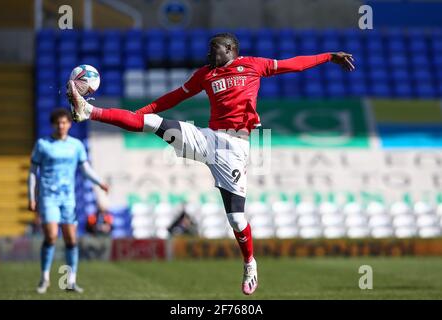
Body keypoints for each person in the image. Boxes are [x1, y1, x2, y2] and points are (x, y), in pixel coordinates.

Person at [67, 33, 354, 295]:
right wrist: (138, 115)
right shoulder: (205, 74)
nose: (208, 53)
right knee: (152, 123)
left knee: (236, 220)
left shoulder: (254, 65)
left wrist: (329, 56)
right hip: (206, 138)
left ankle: (250, 262)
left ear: (229, 49)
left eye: (213, 48)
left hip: (234, 149)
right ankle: (88, 110)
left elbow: (295, 64)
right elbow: (173, 97)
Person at [28, 108, 109, 294]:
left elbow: (85, 168)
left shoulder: (76, 145)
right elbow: (32, 172)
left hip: (68, 199)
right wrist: (32, 197)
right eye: (58, 123)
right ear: (52, 124)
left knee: (71, 239)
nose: (61, 125)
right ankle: (45, 277)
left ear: (69, 124)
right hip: (48, 197)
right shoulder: (43, 144)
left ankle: (70, 281)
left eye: (64, 122)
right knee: (51, 236)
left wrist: (100, 182)